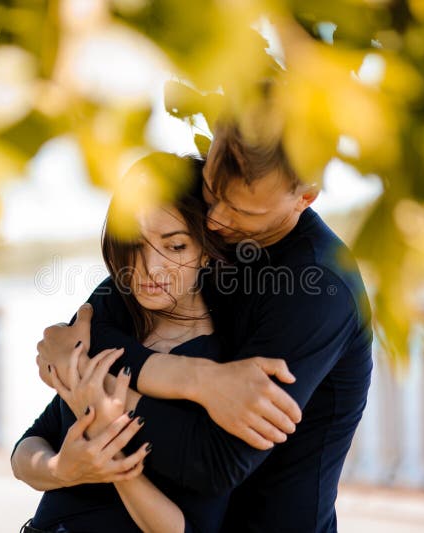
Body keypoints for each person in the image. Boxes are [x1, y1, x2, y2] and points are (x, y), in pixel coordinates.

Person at [32, 120, 374, 532]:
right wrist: (195, 378)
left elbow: (217, 462)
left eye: (242, 209)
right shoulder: (215, 240)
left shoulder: (318, 288)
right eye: (213, 193)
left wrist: (101, 393)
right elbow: (95, 323)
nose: (214, 220)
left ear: (306, 196)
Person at [12, 155, 232, 532]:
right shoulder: (109, 328)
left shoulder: (220, 363)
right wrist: (62, 469)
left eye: (175, 246)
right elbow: (26, 449)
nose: (149, 267)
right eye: (134, 243)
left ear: (206, 250)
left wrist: (112, 460)